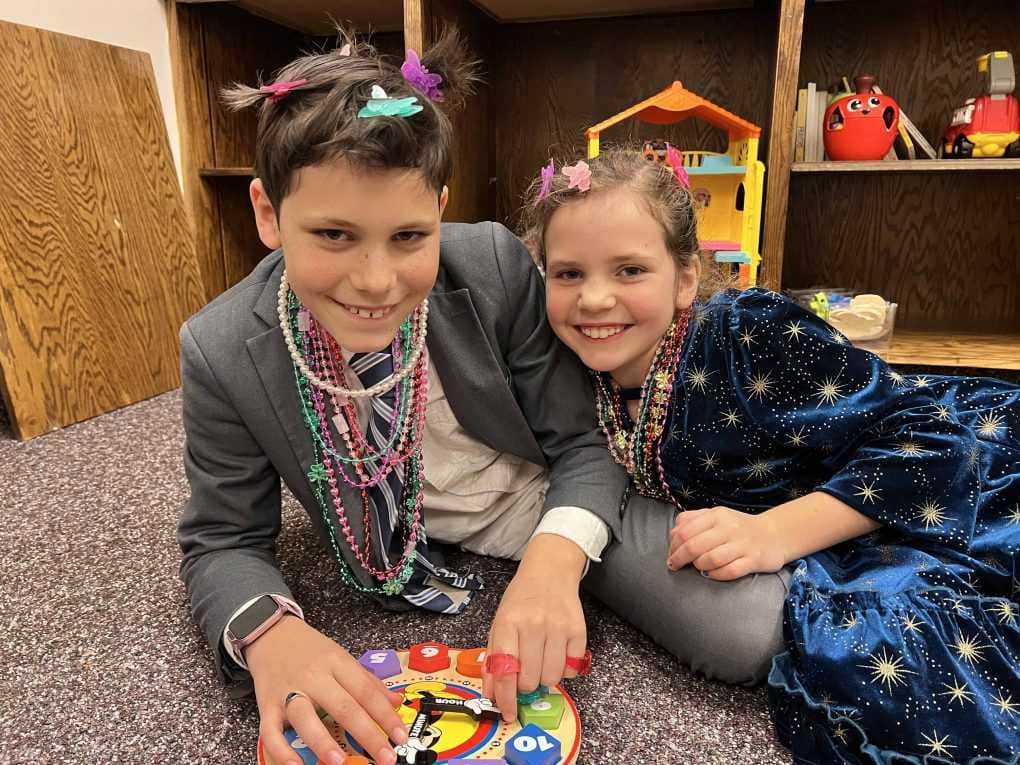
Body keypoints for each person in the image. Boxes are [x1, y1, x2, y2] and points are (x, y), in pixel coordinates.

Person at [177, 32, 625, 765]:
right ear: (266, 213)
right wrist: (268, 632)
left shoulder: (489, 265)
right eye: (333, 234)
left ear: (441, 210)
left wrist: (552, 561)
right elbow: (221, 538)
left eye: (410, 235)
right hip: (415, 545)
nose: (377, 280)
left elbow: (584, 443)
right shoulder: (220, 347)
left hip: (533, 502)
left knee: (734, 633)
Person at [522, 146, 1020, 764]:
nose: (594, 299)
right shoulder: (573, 366)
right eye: (569, 274)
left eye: (629, 271)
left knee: (903, 669)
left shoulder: (749, 335)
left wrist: (775, 534)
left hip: (956, 475)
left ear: (685, 280)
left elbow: (936, 440)